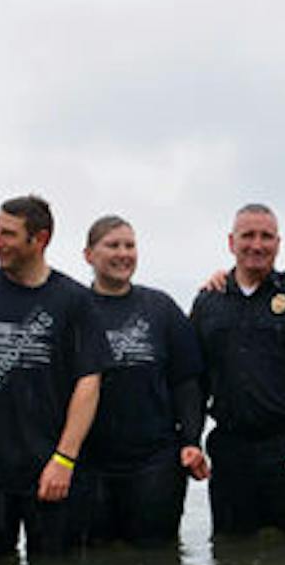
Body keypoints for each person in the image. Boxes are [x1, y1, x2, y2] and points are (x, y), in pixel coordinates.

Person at [0, 195, 107, 558]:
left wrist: (65, 459)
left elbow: (89, 381)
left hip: (52, 470)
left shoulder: (74, 300)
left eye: (9, 234)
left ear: (40, 239)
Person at [189, 203, 285, 537]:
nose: (257, 244)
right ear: (231, 242)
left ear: (278, 243)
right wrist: (190, 439)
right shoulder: (208, 302)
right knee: (231, 563)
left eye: (266, 236)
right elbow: (194, 381)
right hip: (231, 450)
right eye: (248, 236)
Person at [82, 215, 209, 546]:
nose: (123, 253)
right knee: (95, 561)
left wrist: (192, 440)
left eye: (130, 245)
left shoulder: (161, 308)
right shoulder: (74, 308)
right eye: (113, 245)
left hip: (155, 461)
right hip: (90, 462)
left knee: (157, 563)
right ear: (89, 255)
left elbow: (187, 382)